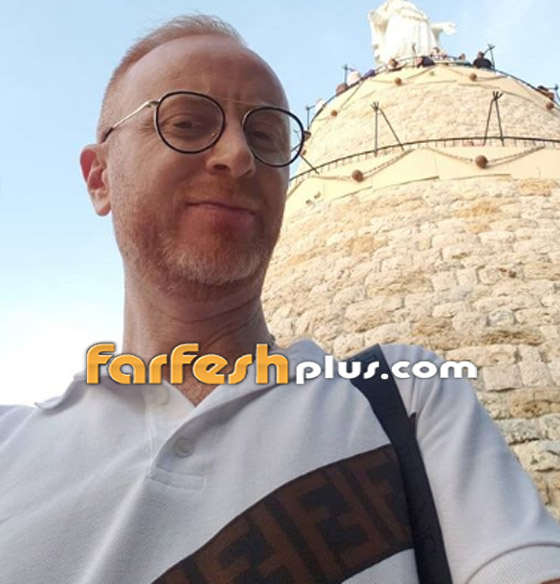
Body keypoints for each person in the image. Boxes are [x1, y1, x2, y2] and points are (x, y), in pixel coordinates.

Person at [1, 13, 560, 584]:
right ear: (100, 178)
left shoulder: (406, 396)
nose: (238, 154)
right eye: (187, 123)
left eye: (266, 136)